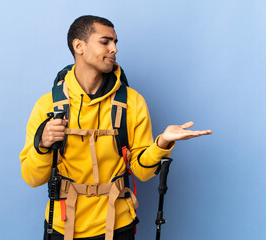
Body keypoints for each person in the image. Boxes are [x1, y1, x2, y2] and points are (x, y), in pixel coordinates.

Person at [20, 15, 212, 240]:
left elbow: (141, 171)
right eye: (105, 42)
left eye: (115, 42)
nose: (114, 49)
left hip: (118, 224)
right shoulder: (47, 105)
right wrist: (42, 145)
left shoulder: (132, 102)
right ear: (79, 46)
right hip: (63, 226)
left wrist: (162, 143)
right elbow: (32, 178)